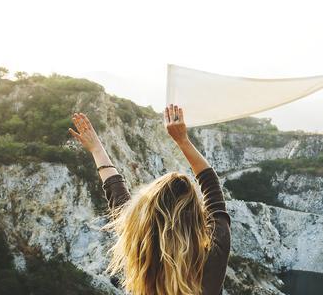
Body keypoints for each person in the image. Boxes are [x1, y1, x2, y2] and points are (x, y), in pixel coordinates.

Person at [69, 105, 231, 295]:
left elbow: (117, 195)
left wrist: (96, 149)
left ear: (147, 214)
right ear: (196, 215)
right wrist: (182, 140)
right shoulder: (213, 254)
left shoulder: (141, 251)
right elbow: (211, 185)